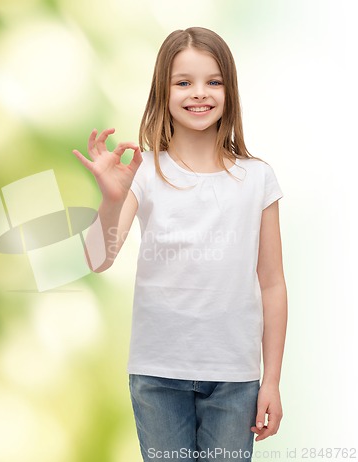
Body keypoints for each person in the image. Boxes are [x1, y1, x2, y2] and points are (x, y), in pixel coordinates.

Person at [72, 26, 287, 462]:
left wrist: (272, 381)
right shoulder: (143, 172)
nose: (199, 94)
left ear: (229, 90)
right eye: (183, 82)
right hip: (158, 373)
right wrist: (111, 199)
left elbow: (272, 284)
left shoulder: (258, 178)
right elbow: (98, 259)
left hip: (235, 377)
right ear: (162, 92)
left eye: (213, 81)